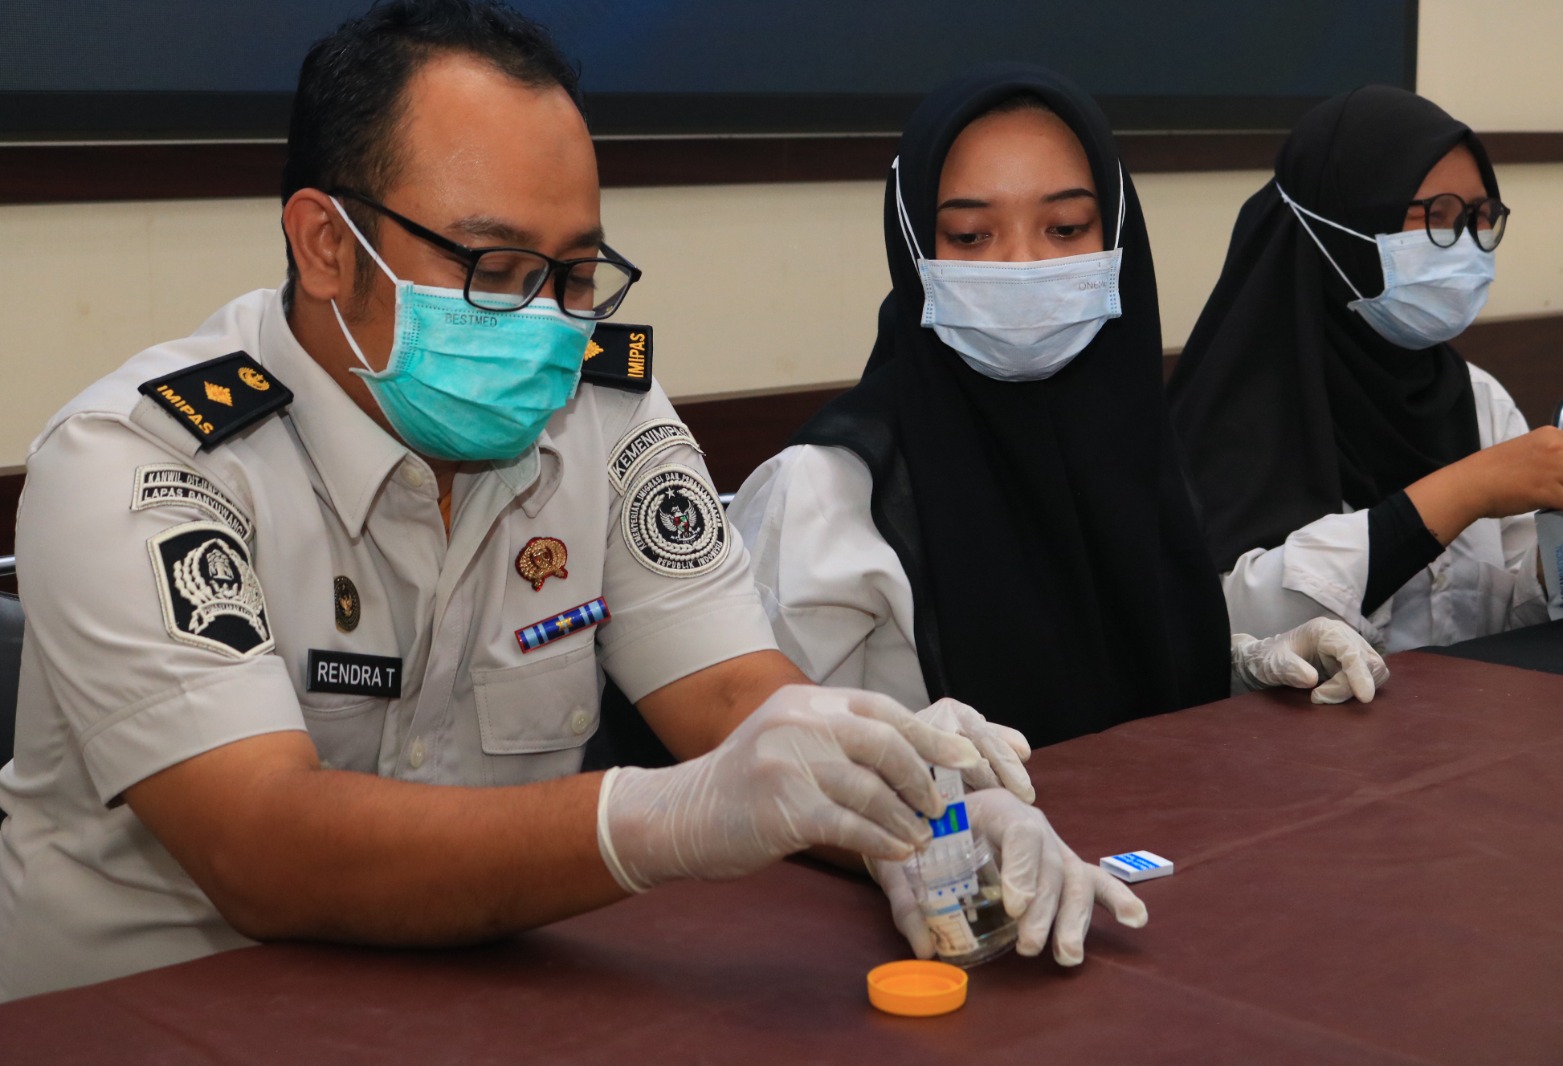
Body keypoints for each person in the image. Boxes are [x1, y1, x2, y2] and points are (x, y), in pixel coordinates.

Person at [0, 3, 1135, 999]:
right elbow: (263, 846)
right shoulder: (143, 459)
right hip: (148, 1014)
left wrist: (918, 812)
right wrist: (664, 817)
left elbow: (730, 693)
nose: (548, 321)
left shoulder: (601, 413)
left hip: (484, 1000)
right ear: (326, 245)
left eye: (578, 274)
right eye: (495, 270)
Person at [728, 63, 1387, 774]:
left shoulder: (1130, 443)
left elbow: (1109, 685)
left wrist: (1244, 667)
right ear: (915, 247)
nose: (1022, 265)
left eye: (1066, 228)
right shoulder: (828, 490)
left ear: (1117, 232)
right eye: (970, 236)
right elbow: (757, 762)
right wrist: (903, 752)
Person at [1167, 86, 1563, 653]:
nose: (1466, 245)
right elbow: (1225, 628)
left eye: (1479, 217)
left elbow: (1506, 612)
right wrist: (1463, 491)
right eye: (1436, 216)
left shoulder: (1477, 398)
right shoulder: (1236, 409)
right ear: (1340, 226)